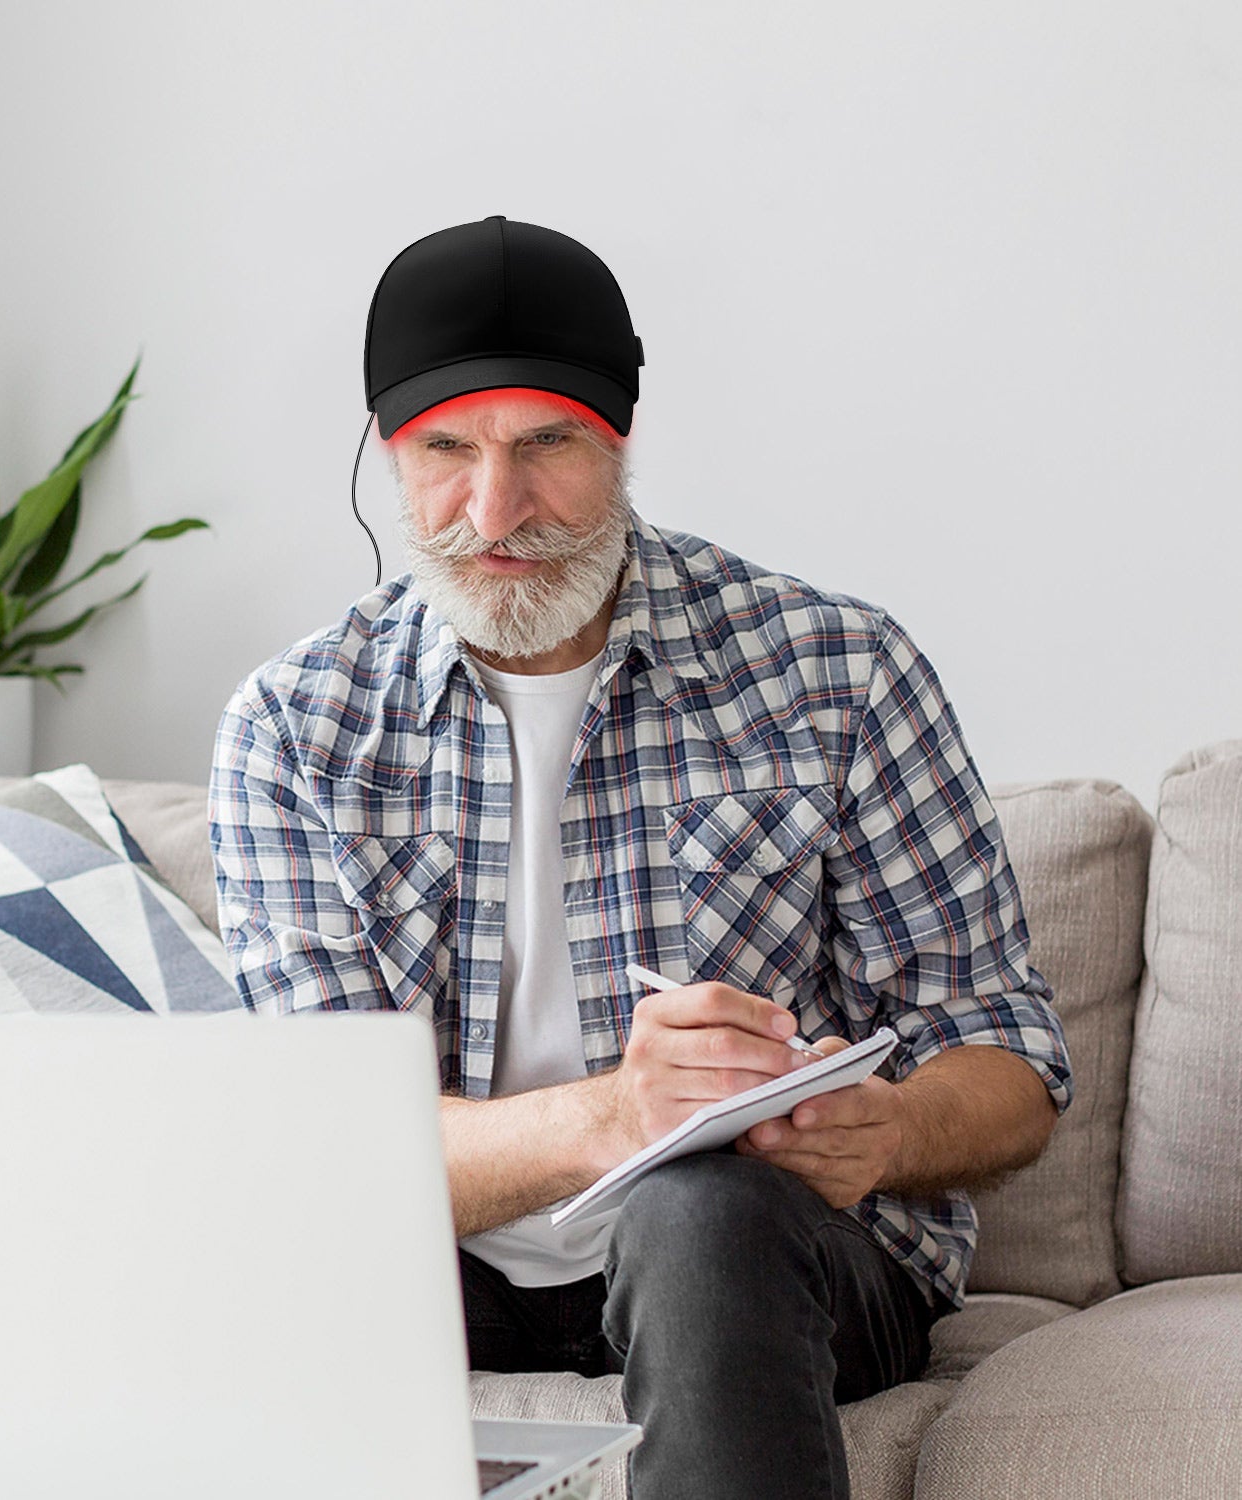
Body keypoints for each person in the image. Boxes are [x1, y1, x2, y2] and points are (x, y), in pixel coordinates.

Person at [209, 216, 1073, 1500]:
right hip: (449, 1260)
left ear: (617, 440)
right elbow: (333, 1146)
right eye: (447, 451)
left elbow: (1013, 1061)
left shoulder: (835, 670)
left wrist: (886, 1130)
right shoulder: (297, 725)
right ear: (392, 456)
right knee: (216, 1243)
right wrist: (619, 1113)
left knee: (696, 1207)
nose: (494, 511)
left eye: (546, 444)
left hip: (774, 1252)